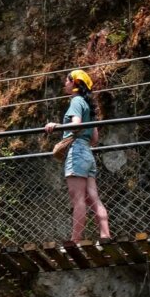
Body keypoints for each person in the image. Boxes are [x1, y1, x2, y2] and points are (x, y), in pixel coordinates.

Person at [44, 69, 110, 244]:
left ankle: (75, 240)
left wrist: (55, 126)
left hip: (77, 152)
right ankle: (105, 235)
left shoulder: (76, 101)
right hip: (87, 153)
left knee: (78, 199)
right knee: (93, 198)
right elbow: (94, 139)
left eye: (67, 80)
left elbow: (75, 125)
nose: (64, 83)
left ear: (74, 83)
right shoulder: (89, 106)